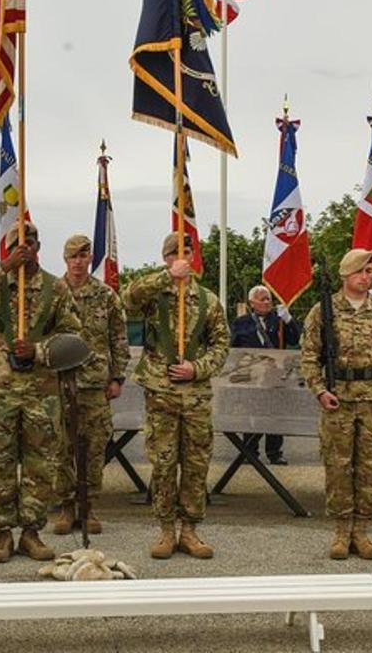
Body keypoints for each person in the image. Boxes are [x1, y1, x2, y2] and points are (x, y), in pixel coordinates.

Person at [0, 222, 81, 564]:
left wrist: (39, 351)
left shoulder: (55, 288)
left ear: (39, 246)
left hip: (41, 389)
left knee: (40, 463)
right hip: (2, 388)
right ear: (8, 248)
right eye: (17, 245)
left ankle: (31, 531)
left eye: (30, 243)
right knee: (1, 460)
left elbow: (73, 338)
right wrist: (5, 267)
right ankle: (2, 532)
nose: (24, 249)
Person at [122, 232, 229, 560]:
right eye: (175, 253)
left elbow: (221, 345)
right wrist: (168, 277)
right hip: (161, 392)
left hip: (195, 394)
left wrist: (197, 368)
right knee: (164, 463)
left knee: (196, 464)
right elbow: (128, 299)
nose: (183, 257)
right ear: (166, 257)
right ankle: (166, 529)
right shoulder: (155, 294)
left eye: (187, 251)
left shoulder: (209, 300)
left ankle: (191, 530)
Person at [300, 248, 372, 561]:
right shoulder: (324, 311)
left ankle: (361, 530)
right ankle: (341, 530)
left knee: (370, 467)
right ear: (347, 275)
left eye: (370, 271)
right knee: (338, 466)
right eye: (361, 271)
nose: (367, 276)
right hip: (339, 400)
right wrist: (320, 390)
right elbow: (308, 356)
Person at [50, 234, 129, 536]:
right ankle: (66, 508)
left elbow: (118, 339)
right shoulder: (53, 293)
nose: (78, 262)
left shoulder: (105, 295)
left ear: (89, 258)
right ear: (65, 260)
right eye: (73, 257)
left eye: (83, 256)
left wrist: (117, 377)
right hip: (60, 383)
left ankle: (89, 507)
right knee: (62, 448)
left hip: (95, 384)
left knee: (94, 449)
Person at [229, 284, 300, 465]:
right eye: (262, 299)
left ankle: (274, 452)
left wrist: (289, 320)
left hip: (274, 375)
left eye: (269, 298)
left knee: (274, 414)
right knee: (251, 413)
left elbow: (296, 339)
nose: (267, 302)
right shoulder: (241, 322)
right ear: (252, 303)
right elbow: (233, 348)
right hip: (251, 375)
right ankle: (250, 451)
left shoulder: (278, 320)